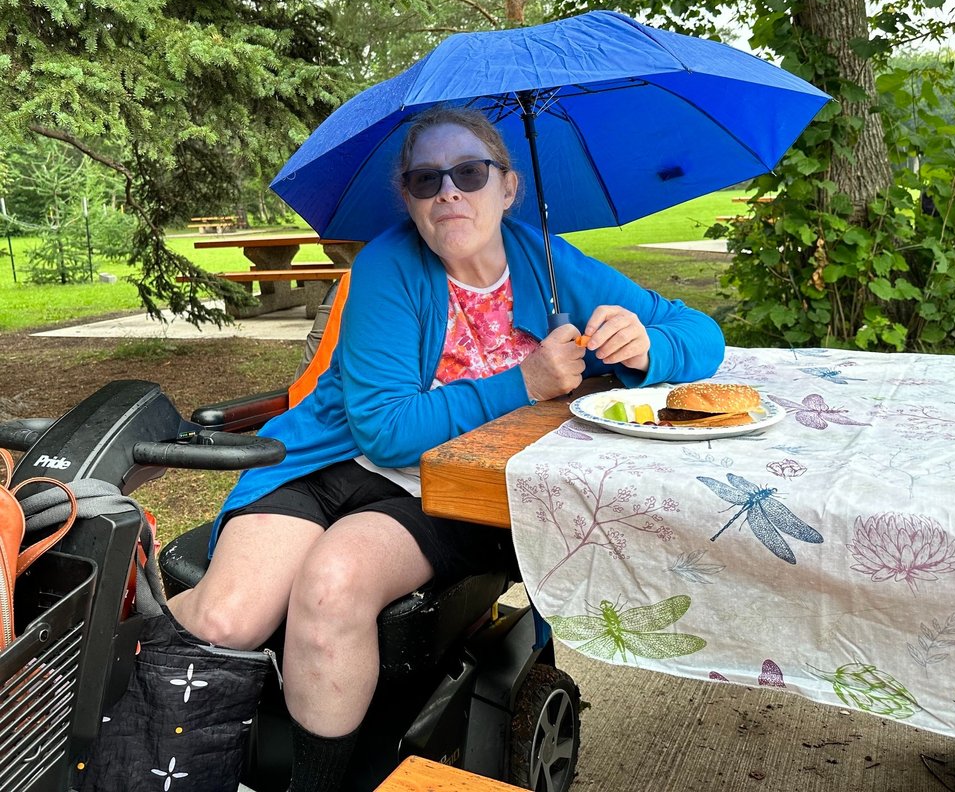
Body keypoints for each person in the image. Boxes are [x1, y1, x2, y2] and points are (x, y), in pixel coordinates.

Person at [168, 105, 725, 792]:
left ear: (508, 187)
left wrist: (650, 345)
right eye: (427, 180)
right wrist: (524, 381)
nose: (449, 192)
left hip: (445, 493)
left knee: (333, 585)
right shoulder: (388, 266)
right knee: (225, 617)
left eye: (469, 172)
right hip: (324, 466)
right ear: (407, 198)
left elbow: (699, 332)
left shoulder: (549, 263)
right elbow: (383, 429)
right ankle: (110, 714)